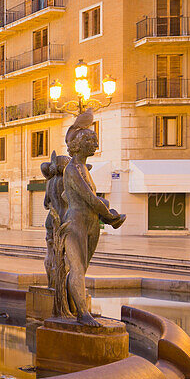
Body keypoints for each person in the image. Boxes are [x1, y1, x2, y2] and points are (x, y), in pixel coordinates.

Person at [60, 116, 126, 325]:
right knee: (77, 268)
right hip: (76, 223)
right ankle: (82, 314)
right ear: (78, 146)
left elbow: (92, 199)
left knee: (82, 269)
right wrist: (110, 216)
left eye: (95, 140)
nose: (95, 144)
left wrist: (106, 212)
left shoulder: (85, 170)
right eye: (90, 140)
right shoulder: (71, 169)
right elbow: (89, 198)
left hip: (91, 223)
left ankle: (77, 307)